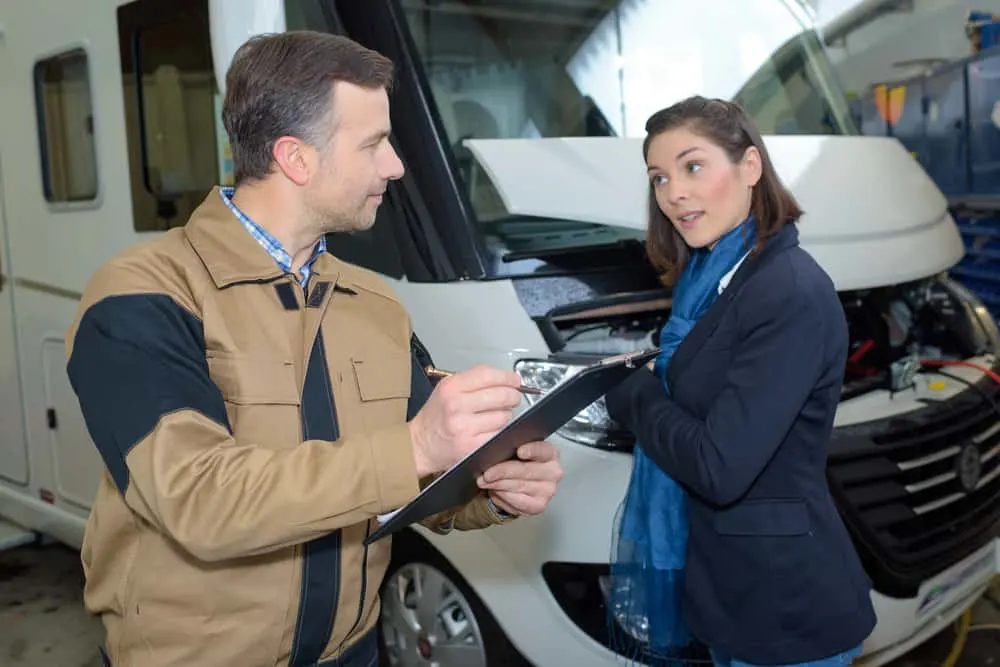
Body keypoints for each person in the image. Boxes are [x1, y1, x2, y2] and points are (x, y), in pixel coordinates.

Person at [65, 31, 562, 667]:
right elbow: (197, 500)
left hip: (355, 653)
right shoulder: (142, 295)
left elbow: (417, 479)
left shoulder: (373, 304)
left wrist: (489, 488)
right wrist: (415, 445)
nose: (396, 167)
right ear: (296, 159)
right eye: (374, 144)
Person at [603, 96, 876, 667]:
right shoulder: (710, 280)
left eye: (693, 166)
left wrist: (633, 393)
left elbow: (718, 467)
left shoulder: (790, 292)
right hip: (730, 597)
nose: (674, 191)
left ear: (750, 167)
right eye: (659, 177)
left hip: (786, 610)